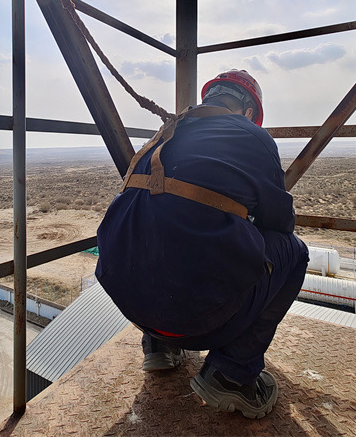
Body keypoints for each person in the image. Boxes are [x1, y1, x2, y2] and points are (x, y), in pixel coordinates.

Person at [96, 69, 308, 419]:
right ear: (251, 113)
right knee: (293, 251)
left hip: (131, 304)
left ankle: (158, 347)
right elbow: (279, 223)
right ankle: (233, 374)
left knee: (163, 218)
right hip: (200, 320)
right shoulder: (253, 136)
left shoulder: (166, 133)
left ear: (209, 99)